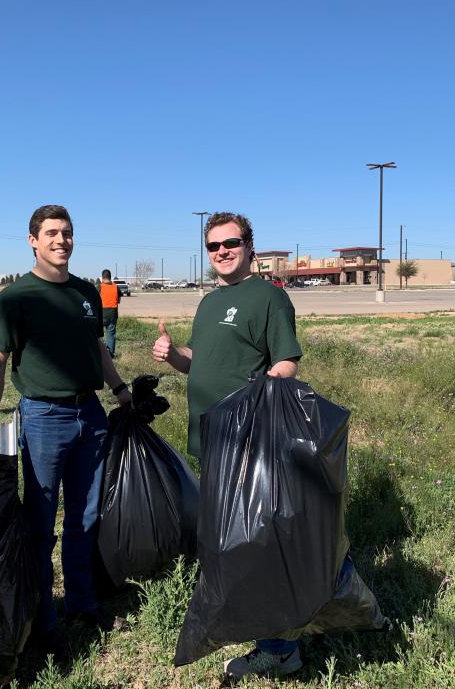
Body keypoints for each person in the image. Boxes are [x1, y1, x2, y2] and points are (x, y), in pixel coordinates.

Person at [151, 212, 304, 678]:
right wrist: (174, 355)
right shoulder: (209, 303)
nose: (221, 251)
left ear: (250, 246)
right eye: (214, 245)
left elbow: (286, 364)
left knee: (256, 545)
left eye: (230, 243)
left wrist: (250, 403)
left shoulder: (268, 299)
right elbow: (201, 362)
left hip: (248, 442)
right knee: (228, 544)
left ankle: (280, 648)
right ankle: (246, 623)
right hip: (211, 442)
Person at [0, 204, 133, 657]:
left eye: (66, 233)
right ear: (33, 240)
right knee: (41, 522)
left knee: (85, 517)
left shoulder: (86, 293)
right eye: (50, 233)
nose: (60, 240)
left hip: (91, 415)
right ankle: (44, 619)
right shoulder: (15, 298)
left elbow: (97, 349)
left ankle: (83, 604)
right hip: (44, 418)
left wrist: (120, 389)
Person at [98, 268, 120, 357]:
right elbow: (118, 300)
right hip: (113, 313)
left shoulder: (99, 287)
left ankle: (100, 353)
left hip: (101, 313)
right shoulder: (116, 287)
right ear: (110, 277)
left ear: (102, 278)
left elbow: (95, 300)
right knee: (111, 334)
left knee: (98, 334)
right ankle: (110, 355)